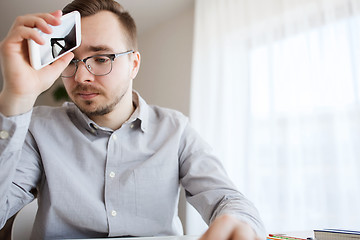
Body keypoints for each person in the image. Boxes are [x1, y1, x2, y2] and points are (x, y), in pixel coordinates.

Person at [0, 0, 266, 239]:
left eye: (102, 58)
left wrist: (238, 223)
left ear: (134, 65)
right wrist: (16, 97)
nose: (81, 77)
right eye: (70, 61)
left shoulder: (175, 129)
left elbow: (227, 199)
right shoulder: (38, 128)